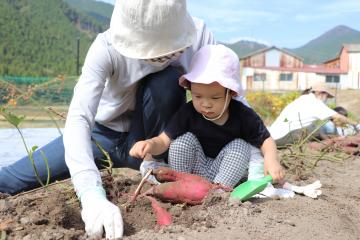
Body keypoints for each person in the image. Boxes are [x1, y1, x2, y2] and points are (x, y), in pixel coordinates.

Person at [0, 0, 215, 239]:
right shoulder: (107, 47)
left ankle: (157, 168)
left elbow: (232, 101)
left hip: (152, 144)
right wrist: (91, 194)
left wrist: (259, 157)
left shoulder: (199, 37)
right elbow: (79, 118)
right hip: (101, 137)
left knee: (167, 82)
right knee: (9, 180)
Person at [130, 44, 285, 189]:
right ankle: (182, 185)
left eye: (215, 98)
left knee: (240, 147)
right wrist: (150, 144)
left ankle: (218, 191)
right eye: (197, 96)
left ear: (230, 93)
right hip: (194, 168)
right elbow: (164, 140)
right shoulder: (188, 112)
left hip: (225, 170)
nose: (206, 104)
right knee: (181, 141)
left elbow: (265, 139)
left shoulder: (242, 115)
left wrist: (271, 161)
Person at [268, 83, 354, 146]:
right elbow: (339, 117)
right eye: (327, 97)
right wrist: (356, 125)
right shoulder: (315, 103)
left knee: (313, 126)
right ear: (320, 93)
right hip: (281, 139)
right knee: (315, 128)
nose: (326, 99)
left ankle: (328, 140)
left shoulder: (303, 99)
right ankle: (327, 142)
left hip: (272, 138)